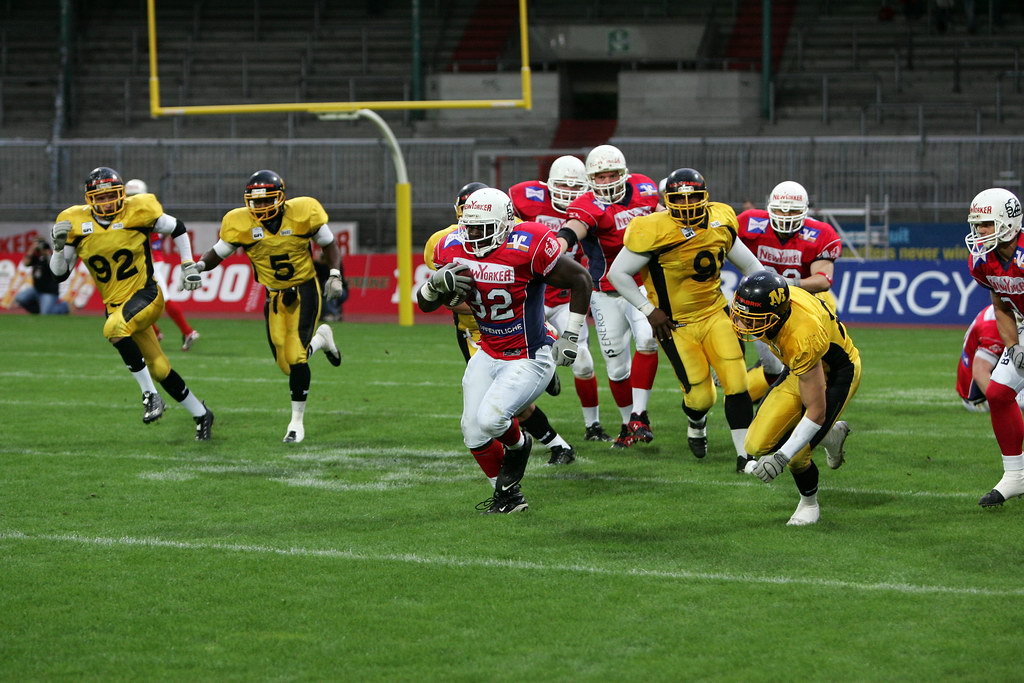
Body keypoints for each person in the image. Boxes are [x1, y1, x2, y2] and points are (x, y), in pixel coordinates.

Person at [418, 187, 593, 513]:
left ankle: (520, 443)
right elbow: (426, 305)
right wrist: (432, 287)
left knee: (490, 420)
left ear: (504, 224)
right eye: (469, 228)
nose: (473, 236)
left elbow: (581, 279)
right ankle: (509, 499)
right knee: (472, 432)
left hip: (530, 354)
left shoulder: (528, 244)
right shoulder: (450, 246)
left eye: (482, 229)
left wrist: (571, 336)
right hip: (488, 350)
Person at [607, 167, 762, 471]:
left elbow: (752, 267)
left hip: (715, 313)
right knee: (701, 398)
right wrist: (648, 310)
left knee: (737, 382)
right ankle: (696, 421)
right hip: (675, 324)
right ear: (667, 199)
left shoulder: (720, 219)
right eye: (679, 198)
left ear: (706, 197)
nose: (687, 204)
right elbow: (618, 274)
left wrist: (749, 304)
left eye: (694, 197)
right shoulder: (653, 228)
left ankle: (746, 456)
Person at [48, 167, 214, 439]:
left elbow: (177, 227)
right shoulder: (74, 221)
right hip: (116, 305)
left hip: (147, 295)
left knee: (114, 329)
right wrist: (57, 249)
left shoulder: (138, 210)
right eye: (100, 197)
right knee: (159, 368)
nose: (106, 202)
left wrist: (187, 264)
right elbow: (59, 274)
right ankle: (201, 414)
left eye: (111, 196)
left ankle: (150, 396)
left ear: (122, 194)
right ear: (89, 199)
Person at [194, 170, 343, 443]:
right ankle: (322, 339)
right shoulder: (239, 222)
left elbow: (329, 244)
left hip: (304, 289)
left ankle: (296, 423)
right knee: (286, 365)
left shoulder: (304, 212)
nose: (261, 206)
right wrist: (200, 266)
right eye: (256, 201)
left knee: (296, 357)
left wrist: (334, 274)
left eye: (267, 200)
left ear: (281, 197)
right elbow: (218, 252)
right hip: (273, 296)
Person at [731, 271, 857, 526]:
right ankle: (831, 436)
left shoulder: (802, 335)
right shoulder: (773, 308)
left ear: (775, 317)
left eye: (752, 319)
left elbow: (816, 412)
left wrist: (782, 457)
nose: (743, 323)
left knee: (797, 455)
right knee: (754, 444)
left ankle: (809, 504)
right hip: (799, 368)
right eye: (742, 314)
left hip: (836, 372)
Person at [556, 144, 661, 448]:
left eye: (612, 175)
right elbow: (572, 230)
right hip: (605, 292)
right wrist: (556, 247)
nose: (606, 181)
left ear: (623, 173)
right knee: (616, 368)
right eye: (600, 177)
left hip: (641, 285)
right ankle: (628, 425)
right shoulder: (586, 205)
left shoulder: (644, 189)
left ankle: (640, 415)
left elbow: (662, 218)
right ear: (591, 179)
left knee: (647, 340)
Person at [508, 155, 612, 442]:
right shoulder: (525, 198)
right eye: (563, 185)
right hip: (533, 297)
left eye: (575, 187)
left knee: (584, 363)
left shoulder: (591, 207)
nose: (568, 192)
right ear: (549, 184)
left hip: (568, 298)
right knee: (520, 361)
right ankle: (523, 412)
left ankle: (593, 425)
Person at [737, 181, 843, 401]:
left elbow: (823, 280)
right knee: (770, 370)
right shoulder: (750, 222)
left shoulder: (820, 233)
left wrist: (787, 284)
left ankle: (819, 407)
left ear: (804, 210)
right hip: (764, 306)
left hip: (808, 304)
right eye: (779, 210)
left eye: (793, 211)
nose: (786, 216)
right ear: (769, 207)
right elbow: (721, 241)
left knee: (819, 364)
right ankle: (745, 377)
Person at [965, 187, 1024, 507]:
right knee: (999, 393)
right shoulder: (982, 261)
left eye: (986, 224)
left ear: (1008, 222)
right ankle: (1016, 474)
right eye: (976, 225)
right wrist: (1013, 346)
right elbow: (1001, 304)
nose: (980, 231)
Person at [124, 179, 202, 351]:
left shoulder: (145, 212)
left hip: (150, 260)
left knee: (161, 298)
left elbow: (173, 227)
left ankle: (186, 331)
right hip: (143, 261)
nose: (132, 199)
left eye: (134, 195)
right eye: (129, 196)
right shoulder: (134, 212)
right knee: (133, 300)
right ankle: (157, 332)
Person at [956, 304, 1024, 412]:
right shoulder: (995, 325)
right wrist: (1003, 403)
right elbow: (980, 372)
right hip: (980, 397)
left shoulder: (1005, 306)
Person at [14, 237, 69, 315]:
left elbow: (55, 265)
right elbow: (25, 263)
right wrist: (31, 250)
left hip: (49, 292)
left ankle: (63, 307)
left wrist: (46, 253)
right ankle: (38, 311)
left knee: (46, 314)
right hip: (36, 290)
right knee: (20, 298)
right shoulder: (35, 256)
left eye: (38, 244)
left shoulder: (51, 254)